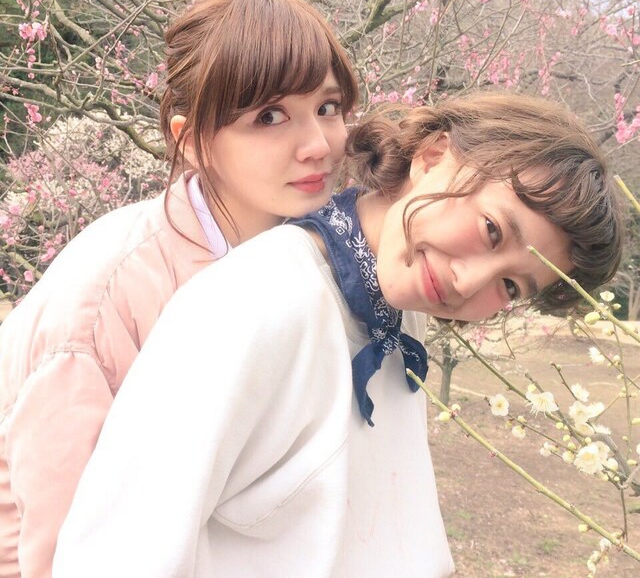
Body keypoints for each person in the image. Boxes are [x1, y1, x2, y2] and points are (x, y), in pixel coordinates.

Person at [52, 93, 622, 578]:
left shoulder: (398, 313)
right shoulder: (258, 301)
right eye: (492, 230)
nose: (468, 282)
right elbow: (115, 555)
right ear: (432, 156)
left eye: (511, 286)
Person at [0, 0, 358, 578]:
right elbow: (59, 550)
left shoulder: (308, 256)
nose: (318, 145)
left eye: (327, 106)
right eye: (270, 116)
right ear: (191, 141)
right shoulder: (106, 304)